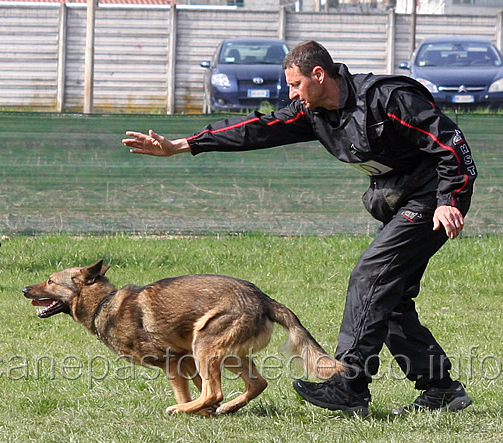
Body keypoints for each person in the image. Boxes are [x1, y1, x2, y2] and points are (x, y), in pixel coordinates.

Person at [122, 40, 477, 416]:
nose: (291, 94)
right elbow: (255, 128)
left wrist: (448, 200)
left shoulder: (387, 100)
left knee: (369, 276)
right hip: (402, 198)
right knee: (387, 297)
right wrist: (183, 145)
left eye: (295, 85)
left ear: (319, 75)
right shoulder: (313, 112)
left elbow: (452, 144)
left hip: (433, 197)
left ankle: (349, 384)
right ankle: (440, 389)